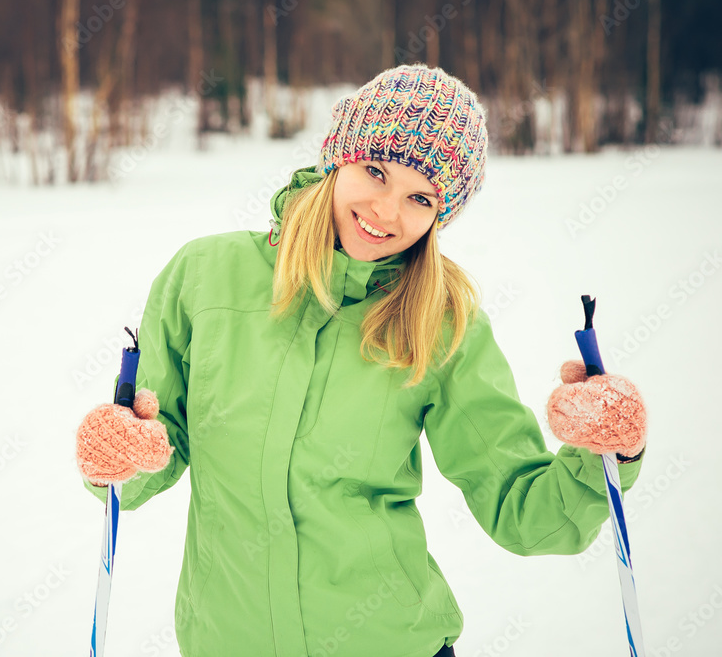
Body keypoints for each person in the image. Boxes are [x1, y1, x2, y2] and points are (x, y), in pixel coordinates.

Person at [75, 63, 647, 657]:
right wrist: (117, 451)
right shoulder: (204, 276)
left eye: (420, 197)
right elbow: (147, 459)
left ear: (440, 215)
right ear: (336, 159)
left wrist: (606, 452)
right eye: (375, 170)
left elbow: (524, 512)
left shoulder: (442, 321)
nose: (386, 211)